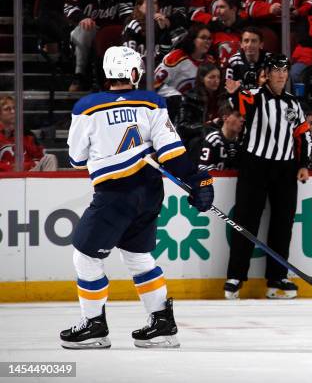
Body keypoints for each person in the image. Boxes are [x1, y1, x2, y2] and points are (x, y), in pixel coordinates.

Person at [61, 46, 214, 349]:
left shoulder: (86, 107)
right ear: (134, 72)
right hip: (149, 192)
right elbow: (172, 153)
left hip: (115, 193)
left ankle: (94, 327)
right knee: (137, 255)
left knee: (85, 255)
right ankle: (162, 324)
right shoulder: (152, 102)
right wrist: (199, 180)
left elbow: (76, 160)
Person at [223, 54, 311, 300]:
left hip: (285, 168)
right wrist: (234, 93)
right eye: (276, 70)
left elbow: (304, 136)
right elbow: (240, 101)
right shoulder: (254, 96)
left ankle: (277, 277)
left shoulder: (294, 104)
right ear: (267, 73)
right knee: (245, 220)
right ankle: (236, 276)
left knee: (283, 224)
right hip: (255, 166)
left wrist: (304, 164)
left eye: (284, 70)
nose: (281, 74)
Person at [64, 0, 133, 92]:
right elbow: (69, 8)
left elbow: (126, 6)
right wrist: (82, 18)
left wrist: (128, 21)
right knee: (85, 29)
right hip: (89, 29)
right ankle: (79, 75)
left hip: (112, 29)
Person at [154, 22, 216, 121]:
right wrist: (176, 96)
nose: (207, 41)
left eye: (209, 38)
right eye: (203, 38)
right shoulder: (176, 58)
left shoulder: (210, 62)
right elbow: (154, 83)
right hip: (169, 111)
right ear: (192, 39)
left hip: (196, 114)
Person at [175, 63, 226, 152]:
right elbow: (182, 126)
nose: (216, 80)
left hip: (218, 137)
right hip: (196, 140)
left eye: (218, 77)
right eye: (212, 77)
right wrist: (208, 127)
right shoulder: (190, 98)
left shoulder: (223, 96)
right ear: (202, 79)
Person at [0, 96, 58, 172]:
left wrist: (26, 165)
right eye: (7, 109)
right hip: (4, 178)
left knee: (50, 158)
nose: (13, 111)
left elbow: (39, 157)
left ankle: (47, 184)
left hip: (27, 175)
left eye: (14, 108)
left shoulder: (27, 134)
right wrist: (9, 167)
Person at [197, 103, 244, 171]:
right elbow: (203, 167)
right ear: (225, 118)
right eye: (238, 116)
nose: (242, 119)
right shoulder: (213, 140)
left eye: (243, 116)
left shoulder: (242, 142)